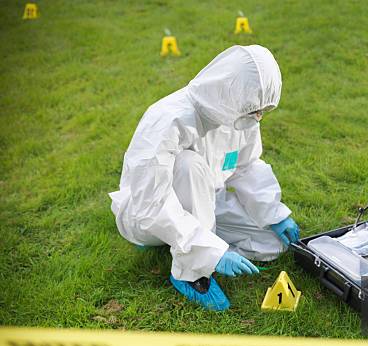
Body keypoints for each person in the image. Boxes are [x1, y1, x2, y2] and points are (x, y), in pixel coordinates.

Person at [109, 45, 299, 311]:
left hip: (204, 202)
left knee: (271, 243)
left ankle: (195, 243)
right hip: (146, 218)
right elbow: (152, 203)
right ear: (231, 93)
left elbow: (245, 166)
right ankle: (190, 273)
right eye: (254, 109)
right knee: (189, 165)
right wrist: (210, 252)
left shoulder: (241, 116)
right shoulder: (167, 120)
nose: (258, 117)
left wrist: (274, 214)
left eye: (262, 110)